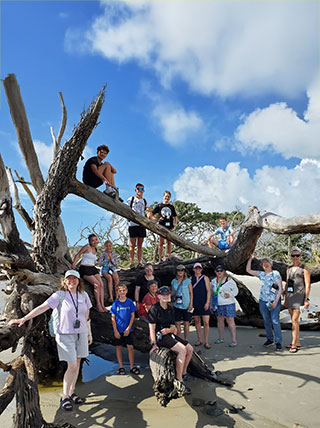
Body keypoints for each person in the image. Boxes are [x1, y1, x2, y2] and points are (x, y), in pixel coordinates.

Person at [8, 270, 92, 411]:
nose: (72, 281)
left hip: (82, 333)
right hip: (65, 334)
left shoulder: (84, 295)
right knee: (71, 365)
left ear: (79, 281)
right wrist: (23, 319)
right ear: (64, 281)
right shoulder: (60, 295)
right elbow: (42, 307)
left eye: (74, 278)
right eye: (68, 278)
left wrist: (89, 334)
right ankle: (64, 396)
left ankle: (71, 392)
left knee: (77, 362)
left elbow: (87, 316)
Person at [148, 286, 194, 394]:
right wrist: (153, 343)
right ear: (158, 296)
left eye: (168, 294)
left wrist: (169, 331)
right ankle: (179, 380)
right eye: (164, 295)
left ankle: (183, 372)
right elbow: (152, 327)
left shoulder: (170, 309)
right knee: (182, 350)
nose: (166, 296)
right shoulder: (154, 309)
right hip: (160, 337)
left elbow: (174, 327)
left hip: (168, 334)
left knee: (190, 349)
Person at [246, 255, 283, 350]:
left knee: (275, 321)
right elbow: (248, 270)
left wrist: (276, 301)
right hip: (263, 301)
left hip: (274, 301)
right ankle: (270, 339)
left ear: (271, 264)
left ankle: (278, 342)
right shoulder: (261, 274)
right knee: (266, 321)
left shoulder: (275, 273)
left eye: (268, 262)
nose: (266, 264)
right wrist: (250, 259)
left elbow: (280, 289)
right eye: (264, 263)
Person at [284, 248, 311, 353]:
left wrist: (306, 299)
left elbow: (308, 285)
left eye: (297, 255)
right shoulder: (288, 268)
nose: (295, 257)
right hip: (290, 296)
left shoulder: (304, 268)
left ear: (300, 256)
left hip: (300, 296)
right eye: (293, 255)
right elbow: (287, 283)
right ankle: (297, 341)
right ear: (291, 257)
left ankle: (294, 344)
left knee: (295, 320)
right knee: (293, 320)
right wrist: (285, 298)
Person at [110, 284, 140, 375]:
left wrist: (128, 328)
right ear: (117, 292)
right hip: (118, 329)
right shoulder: (115, 303)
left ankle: (132, 366)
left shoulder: (130, 302)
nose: (122, 292)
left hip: (128, 329)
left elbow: (132, 316)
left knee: (130, 347)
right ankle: (121, 366)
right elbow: (113, 317)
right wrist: (115, 330)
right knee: (118, 347)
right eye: (120, 291)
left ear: (126, 291)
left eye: (123, 290)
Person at [72, 234, 106, 312]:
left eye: (96, 240)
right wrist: (74, 263)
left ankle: (102, 305)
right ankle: (98, 305)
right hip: (85, 268)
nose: (95, 242)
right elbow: (78, 254)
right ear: (90, 242)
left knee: (102, 284)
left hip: (93, 268)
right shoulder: (87, 247)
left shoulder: (96, 250)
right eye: (92, 240)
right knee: (96, 284)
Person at [210, 265, 238, 347]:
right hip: (218, 304)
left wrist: (230, 295)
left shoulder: (229, 280)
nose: (219, 272)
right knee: (220, 320)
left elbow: (236, 290)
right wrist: (211, 305)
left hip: (229, 303)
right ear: (215, 272)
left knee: (230, 320)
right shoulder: (213, 281)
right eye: (217, 271)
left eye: (221, 271)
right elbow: (212, 294)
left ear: (224, 271)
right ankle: (221, 338)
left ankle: (234, 340)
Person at [126, 183, 152, 268]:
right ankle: (131, 262)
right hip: (133, 224)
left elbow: (148, 211)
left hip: (142, 224)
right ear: (135, 190)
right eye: (138, 188)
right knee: (132, 245)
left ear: (143, 190)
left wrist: (149, 218)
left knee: (140, 245)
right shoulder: (131, 199)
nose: (140, 190)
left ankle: (139, 262)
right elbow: (126, 209)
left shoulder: (145, 201)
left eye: (141, 189)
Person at [152, 191, 178, 261]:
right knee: (161, 243)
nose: (167, 198)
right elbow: (152, 214)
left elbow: (175, 217)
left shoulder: (171, 207)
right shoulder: (159, 206)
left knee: (169, 243)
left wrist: (174, 225)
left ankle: (168, 258)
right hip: (161, 226)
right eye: (166, 196)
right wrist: (157, 219)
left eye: (168, 196)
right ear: (163, 197)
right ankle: (160, 258)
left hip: (169, 226)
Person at [191, 262, 211, 349]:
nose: (198, 270)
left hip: (204, 302)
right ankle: (199, 339)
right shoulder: (191, 279)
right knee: (197, 322)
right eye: (196, 268)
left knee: (206, 322)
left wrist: (207, 302)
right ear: (194, 269)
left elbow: (209, 291)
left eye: (199, 268)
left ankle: (206, 341)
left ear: (201, 269)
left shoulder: (205, 278)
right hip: (195, 303)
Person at [171, 264, 193, 341]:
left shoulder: (188, 281)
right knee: (177, 323)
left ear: (184, 272)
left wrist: (191, 304)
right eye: (179, 270)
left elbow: (191, 293)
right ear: (176, 272)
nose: (180, 272)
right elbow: (173, 292)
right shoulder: (173, 281)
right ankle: (179, 339)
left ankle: (186, 339)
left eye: (182, 270)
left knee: (186, 323)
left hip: (186, 304)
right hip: (176, 305)